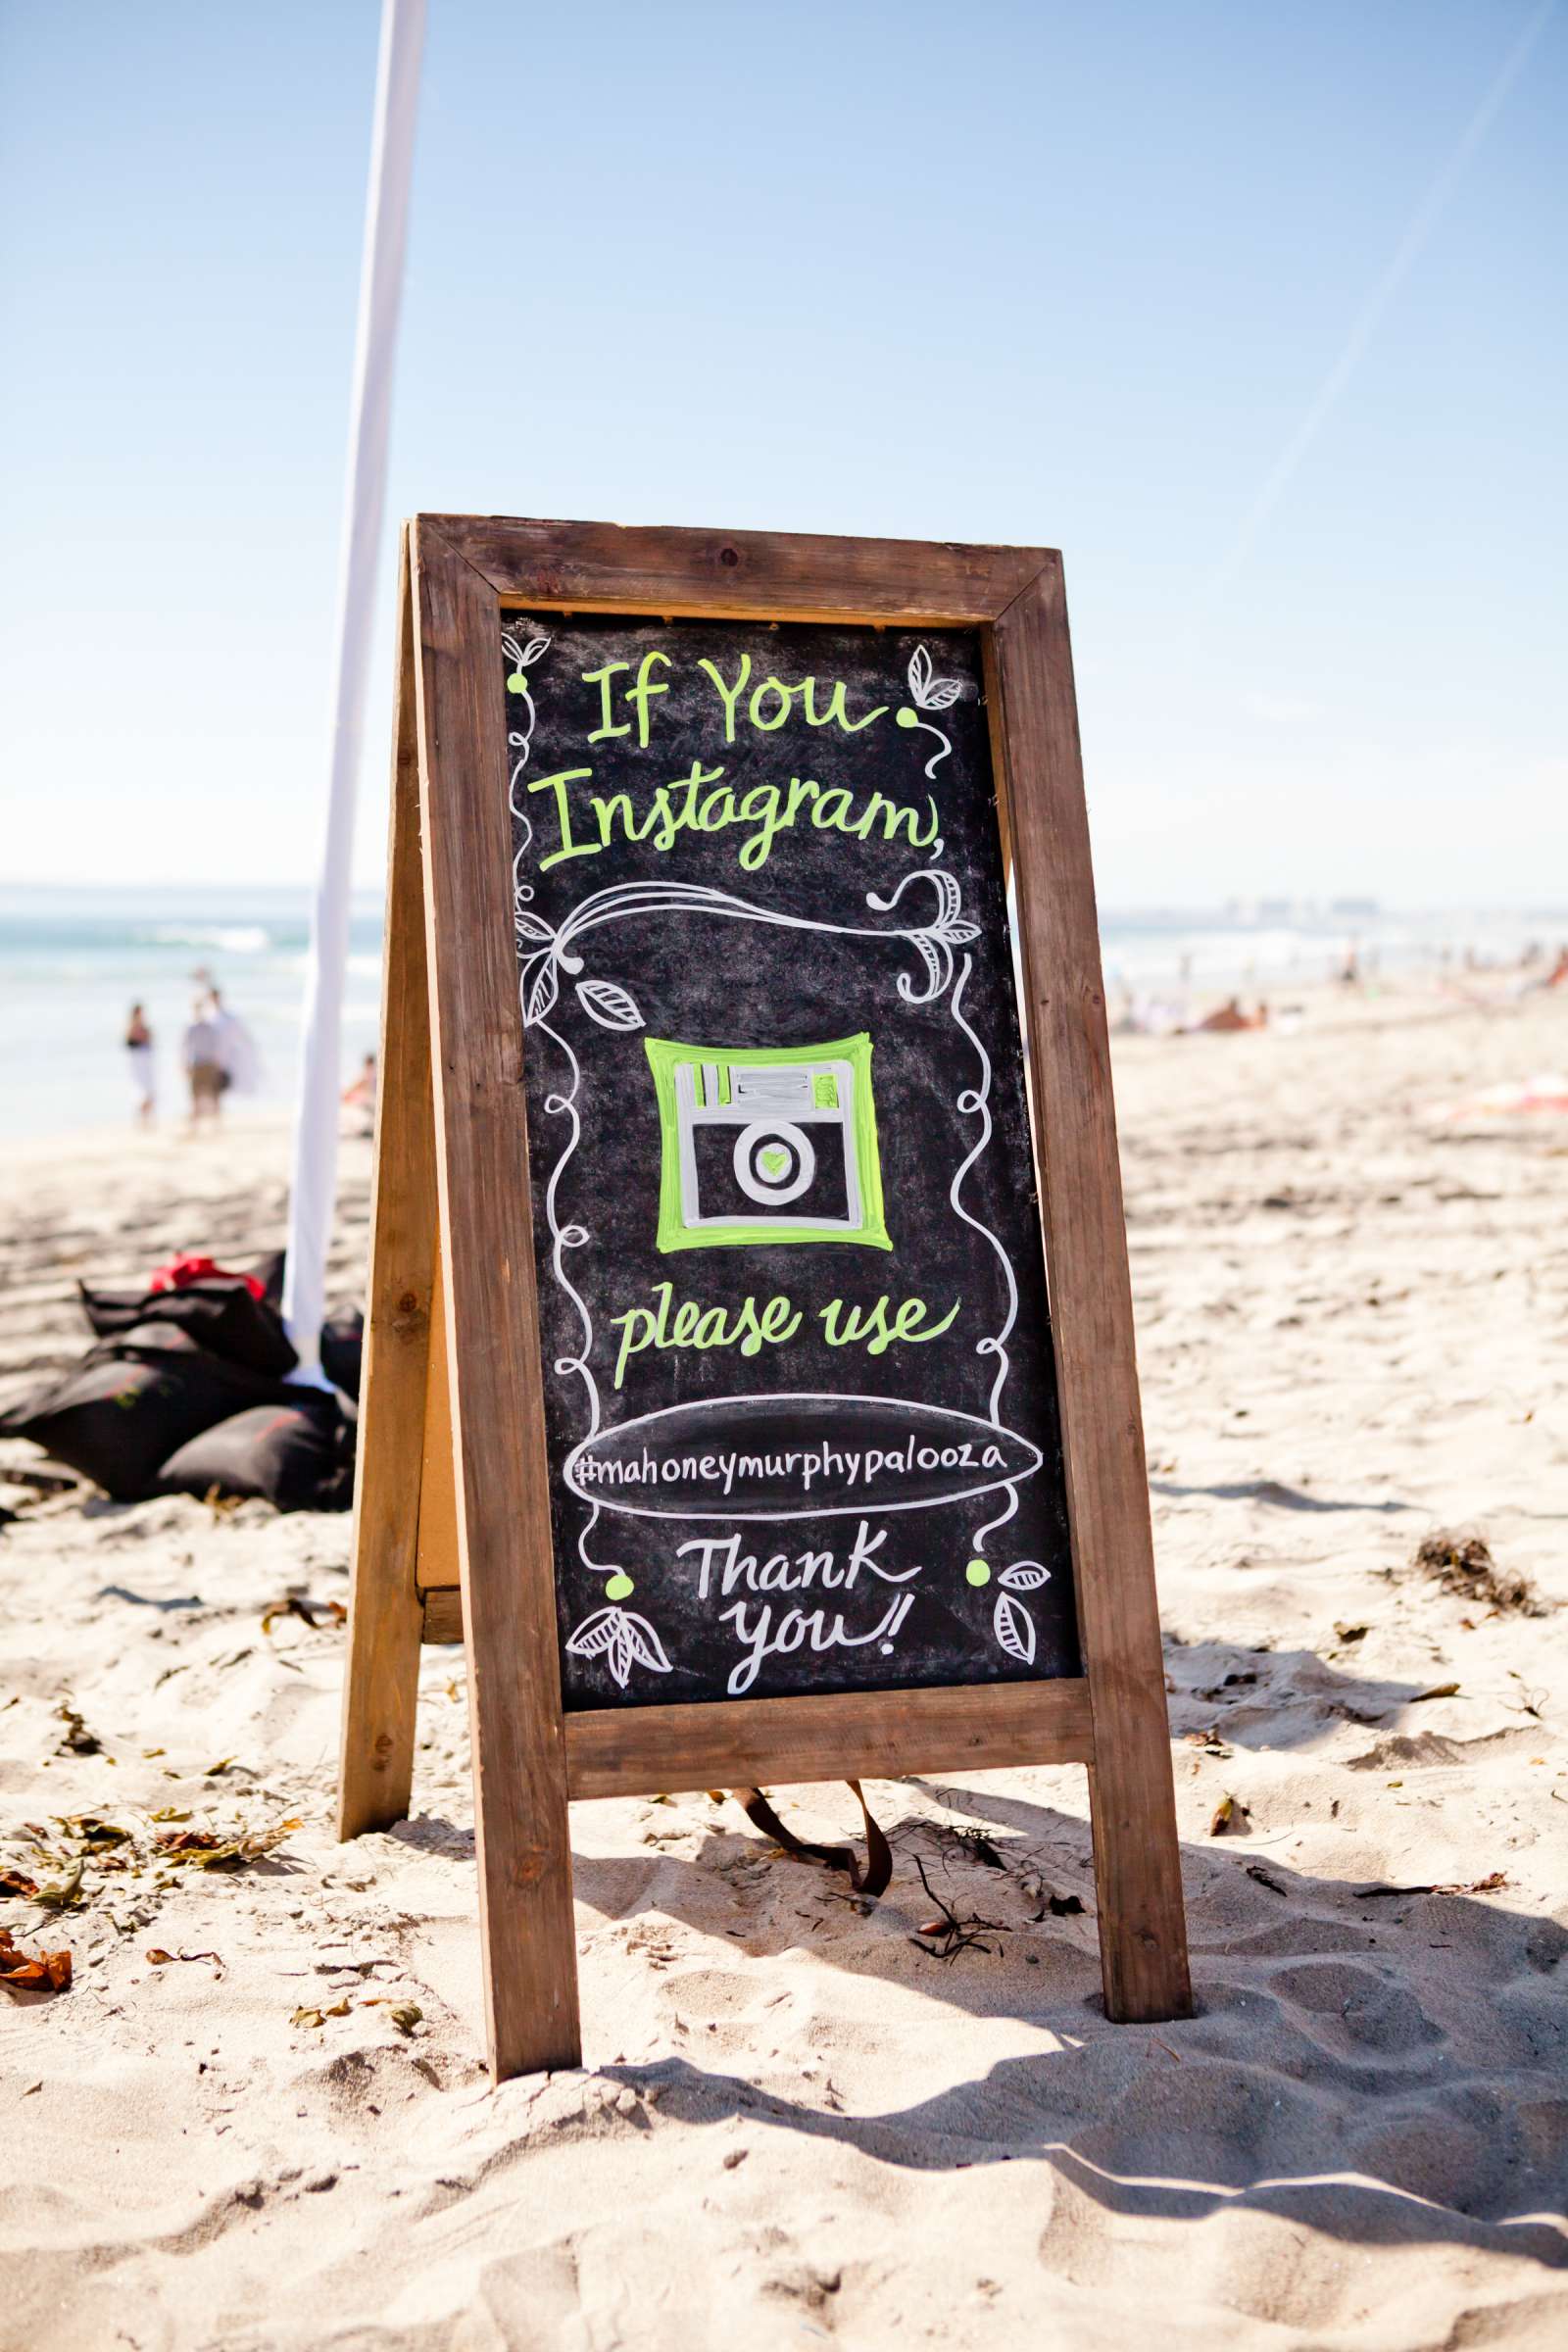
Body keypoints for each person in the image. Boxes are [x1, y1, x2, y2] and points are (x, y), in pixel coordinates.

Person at [208, 986, 260, 1098]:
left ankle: (219, 1107)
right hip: (213, 1057)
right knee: (214, 1085)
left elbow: (243, 1037)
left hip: (225, 1057)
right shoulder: (210, 1016)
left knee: (222, 1084)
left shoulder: (228, 1017)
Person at [182, 998, 223, 1127]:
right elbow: (185, 1048)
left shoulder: (208, 1027)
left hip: (206, 1063)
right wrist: (185, 1063)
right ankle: (197, 1125)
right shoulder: (192, 1028)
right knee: (196, 1096)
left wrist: (217, 1062)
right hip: (199, 1063)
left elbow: (216, 1046)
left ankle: (215, 1124)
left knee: (212, 1094)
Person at [124, 1004, 155, 1127]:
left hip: (146, 1062)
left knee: (148, 1091)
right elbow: (128, 1044)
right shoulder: (131, 1028)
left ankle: (146, 1119)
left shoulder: (145, 1027)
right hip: (137, 1063)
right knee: (141, 1092)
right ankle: (141, 1120)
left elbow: (150, 1041)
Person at [342, 1051, 377, 1136]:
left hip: (371, 1105)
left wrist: (343, 1096)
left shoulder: (367, 1075)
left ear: (366, 1064)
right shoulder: (375, 1074)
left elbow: (353, 1088)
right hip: (373, 1104)